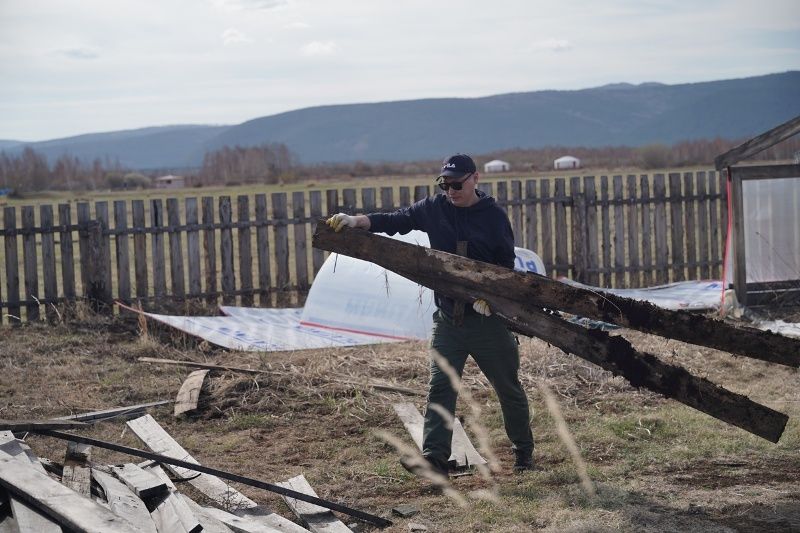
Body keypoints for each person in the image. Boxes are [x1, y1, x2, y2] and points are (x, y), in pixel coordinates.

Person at [326, 154, 534, 476]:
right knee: (440, 387)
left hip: (487, 322)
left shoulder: (493, 217)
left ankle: (523, 451)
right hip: (449, 320)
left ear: (475, 179)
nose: (451, 191)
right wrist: (356, 221)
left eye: (457, 184)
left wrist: (492, 301)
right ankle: (435, 458)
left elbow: (505, 267)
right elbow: (396, 220)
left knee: (508, 389)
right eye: (445, 185)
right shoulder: (435, 209)